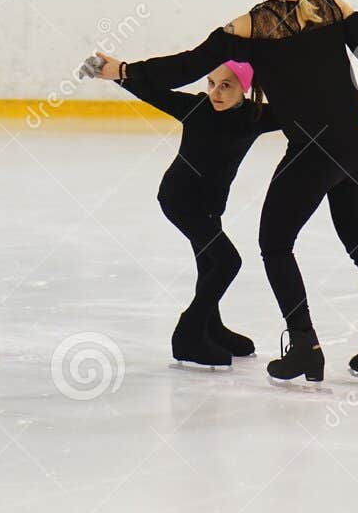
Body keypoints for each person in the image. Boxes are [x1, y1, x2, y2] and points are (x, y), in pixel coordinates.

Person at [86, 0, 358, 383]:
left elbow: (183, 69)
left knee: (275, 245)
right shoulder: (332, 7)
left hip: (312, 154)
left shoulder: (249, 28)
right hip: (356, 147)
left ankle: (305, 347)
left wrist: (124, 70)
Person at [84, 57, 279, 366]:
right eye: (211, 83)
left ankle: (211, 328)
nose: (215, 92)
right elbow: (153, 92)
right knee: (228, 262)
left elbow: (305, 111)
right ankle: (188, 333)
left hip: (211, 206)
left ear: (244, 88)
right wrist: (115, 73)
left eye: (225, 85)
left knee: (209, 264)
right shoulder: (197, 108)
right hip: (180, 200)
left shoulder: (256, 117)